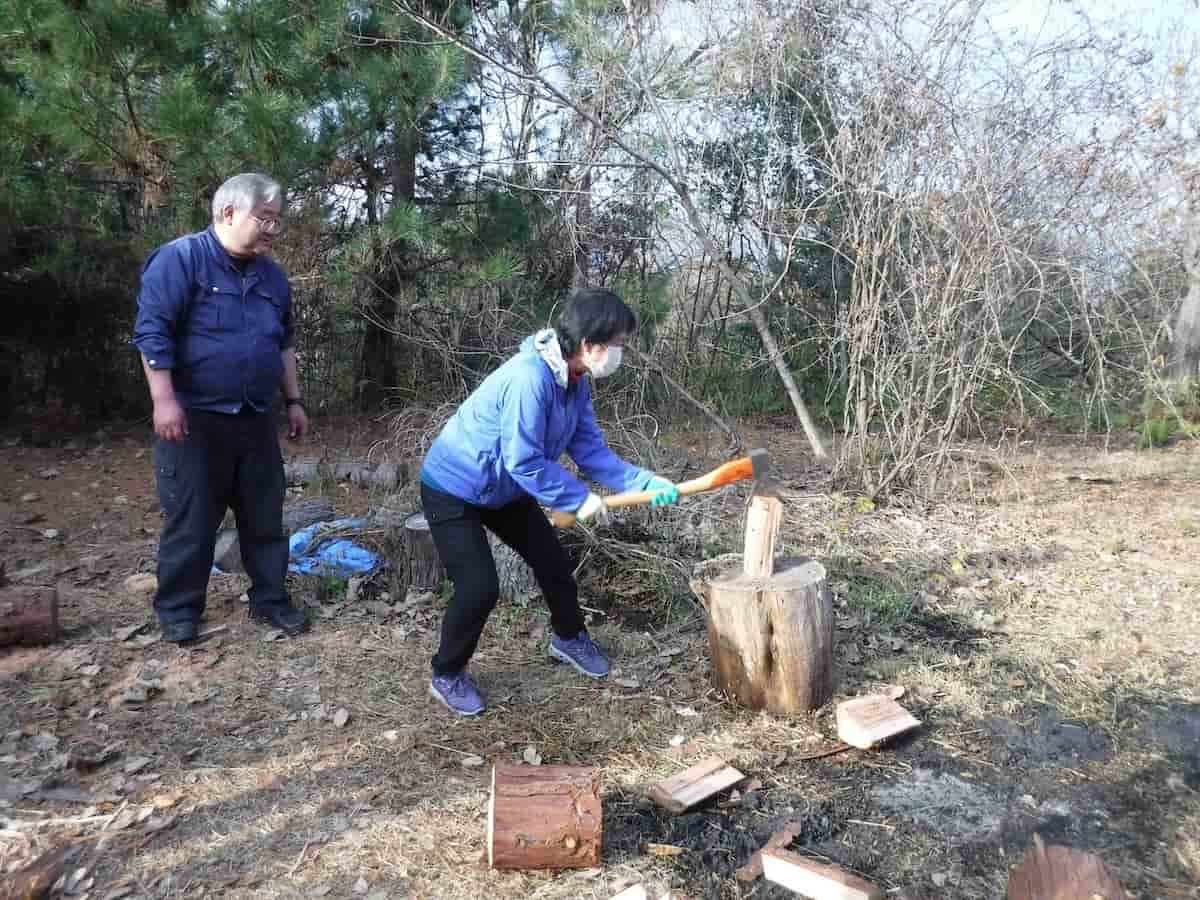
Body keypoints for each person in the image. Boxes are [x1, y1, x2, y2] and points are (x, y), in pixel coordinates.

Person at [419, 288, 680, 716]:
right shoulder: (530, 379)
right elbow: (522, 460)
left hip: (503, 488)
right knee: (479, 587)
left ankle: (569, 638)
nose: (620, 354)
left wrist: (647, 482)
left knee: (553, 563)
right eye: (617, 345)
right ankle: (447, 672)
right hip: (454, 486)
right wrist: (580, 500)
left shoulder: (574, 384)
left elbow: (592, 452)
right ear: (588, 344)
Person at [132, 172, 310, 643]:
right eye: (264, 218)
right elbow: (153, 334)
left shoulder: (272, 275)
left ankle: (271, 601)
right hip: (194, 420)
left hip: (255, 417)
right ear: (229, 213)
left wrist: (293, 400)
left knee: (264, 516)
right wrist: (164, 400)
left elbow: (284, 342)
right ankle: (178, 610)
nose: (272, 228)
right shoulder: (180, 260)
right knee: (192, 519)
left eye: (277, 220)